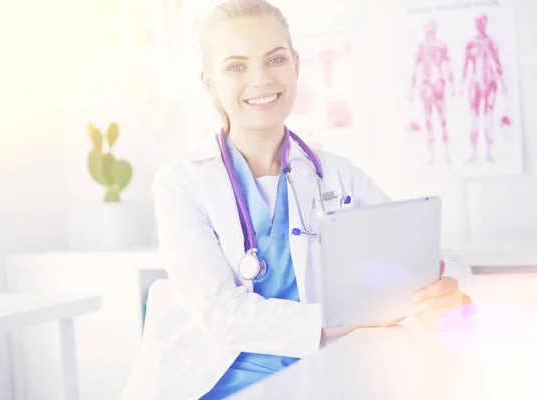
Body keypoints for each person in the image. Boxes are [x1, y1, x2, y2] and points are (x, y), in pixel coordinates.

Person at [122, 1, 474, 399]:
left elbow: (431, 259)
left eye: (275, 59)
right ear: (209, 82)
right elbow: (222, 315)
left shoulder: (336, 176)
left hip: (316, 378)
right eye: (236, 66)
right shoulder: (181, 183)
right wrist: (350, 317)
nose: (260, 79)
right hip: (213, 384)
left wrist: (449, 291)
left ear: (296, 66)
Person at [460, 14, 508, 163]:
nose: (480, 25)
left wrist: (502, 84)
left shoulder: (491, 42)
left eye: (482, 22)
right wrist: (461, 86)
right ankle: (473, 152)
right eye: (478, 22)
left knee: (488, 117)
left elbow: (498, 64)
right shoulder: (471, 44)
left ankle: (488, 152)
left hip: (490, 83)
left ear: (485, 24)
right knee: (474, 117)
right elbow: (465, 66)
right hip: (475, 83)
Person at [409, 19, 455, 165]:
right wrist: (411, 89)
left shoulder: (441, 46)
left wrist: (452, 86)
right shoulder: (421, 48)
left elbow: (448, 65)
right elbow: (415, 69)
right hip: (426, 85)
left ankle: (446, 154)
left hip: (438, 83)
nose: (430, 32)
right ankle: (431, 156)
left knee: (442, 119)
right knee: (428, 119)